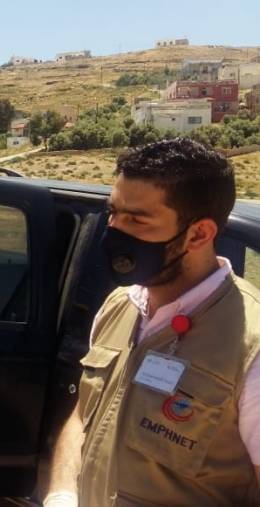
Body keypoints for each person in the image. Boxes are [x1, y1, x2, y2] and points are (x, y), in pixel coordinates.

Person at [44, 138, 260, 506]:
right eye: (113, 213)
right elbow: (83, 416)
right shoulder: (119, 305)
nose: (114, 230)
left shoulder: (250, 347)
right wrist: (61, 495)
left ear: (199, 234)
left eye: (136, 219)